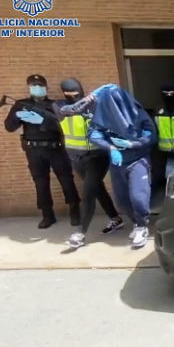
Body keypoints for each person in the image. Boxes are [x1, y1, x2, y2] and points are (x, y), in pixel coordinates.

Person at [53, 78, 123, 248]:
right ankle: (115, 219)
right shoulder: (59, 105)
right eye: (68, 95)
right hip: (76, 158)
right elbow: (71, 109)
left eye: (76, 95)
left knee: (88, 193)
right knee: (97, 189)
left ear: (81, 91)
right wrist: (89, 99)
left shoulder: (97, 105)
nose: (72, 98)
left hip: (97, 156)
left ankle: (79, 233)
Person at [4, 74, 80, 229]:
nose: (36, 88)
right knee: (40, 183)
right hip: (33, 150)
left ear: (45, 87)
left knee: (66, 179)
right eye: (33, 85)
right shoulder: (21, 104)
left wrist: (43, 120)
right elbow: (9, 127)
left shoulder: (55, 105)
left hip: (55, 148)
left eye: (39, 85)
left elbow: (62, 126)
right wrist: (18, 116)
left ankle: (75, 211)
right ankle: (47, 215)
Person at [87, 84, 157, 249]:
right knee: (122, 200)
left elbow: (151, 136)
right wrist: (110, 147)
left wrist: (132, 144)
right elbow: (93, 134)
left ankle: (142, 226)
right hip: (118, 162)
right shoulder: (103, 116)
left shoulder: (138, 113)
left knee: (138, 197)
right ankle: (135, 223)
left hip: (138, 160)